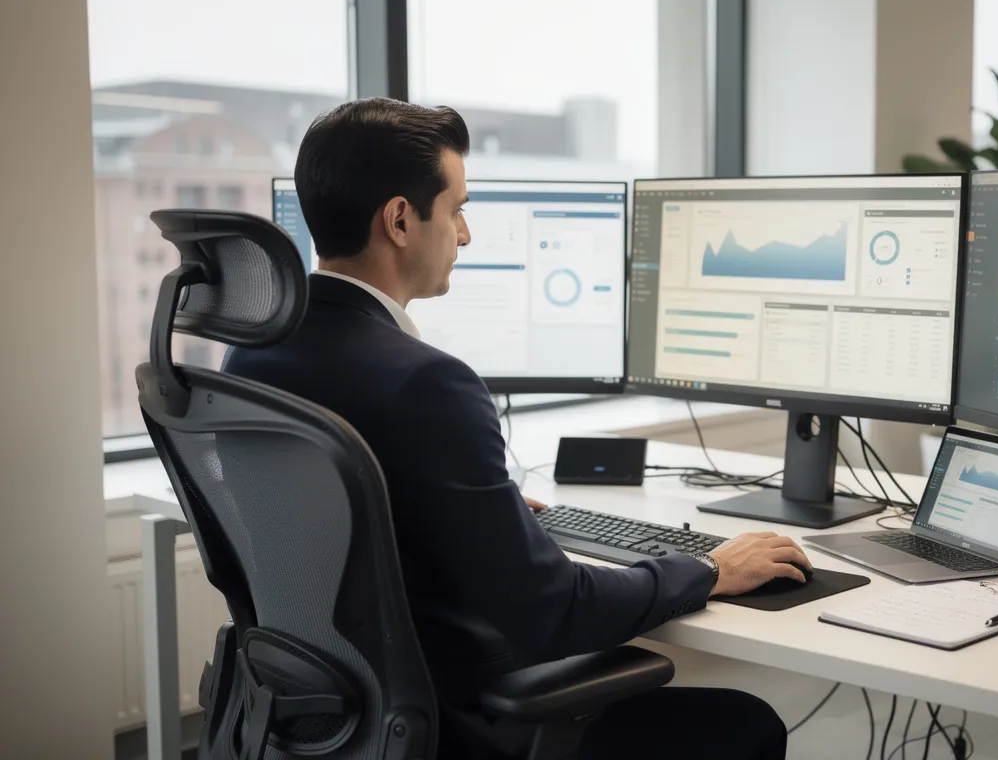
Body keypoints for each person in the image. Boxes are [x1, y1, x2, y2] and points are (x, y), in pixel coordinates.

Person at [223, 98, 808, 760]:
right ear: (400, 220)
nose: (465, 234)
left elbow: (333, 523)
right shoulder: (427, 382)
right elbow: (550, 612)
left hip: (330, 720)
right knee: (746, 723)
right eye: (457, 209)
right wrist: (705, 569)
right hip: (455, 727)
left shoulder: (253, 354)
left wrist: (478, 515)